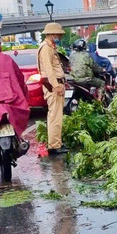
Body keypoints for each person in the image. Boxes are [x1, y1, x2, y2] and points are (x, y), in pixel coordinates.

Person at [37, 23, 68, 156]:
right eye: (59, 34)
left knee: (56, 115)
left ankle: (56, 143)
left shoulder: (50, 47)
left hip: (56, 84)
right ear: (53, 34)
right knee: (55, 116)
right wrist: (56, 86)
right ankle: (54, 146)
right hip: (53, 86)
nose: (60, 37)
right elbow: (49, 70)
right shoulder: (45, 48)